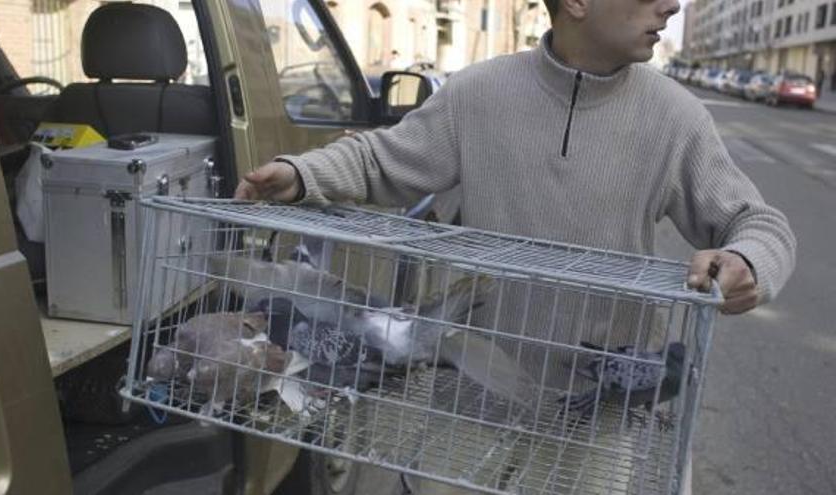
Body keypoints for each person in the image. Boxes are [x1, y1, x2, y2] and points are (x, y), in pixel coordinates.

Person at [236, 0, 796, 492]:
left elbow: (757, 222)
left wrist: (748, 261)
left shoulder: (676, 116)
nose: (672, 6)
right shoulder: (477, 93)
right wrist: (299, 172)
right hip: (471, 391)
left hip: (597, 414)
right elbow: (380, 159)